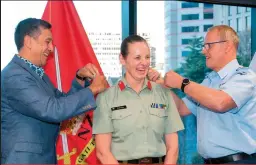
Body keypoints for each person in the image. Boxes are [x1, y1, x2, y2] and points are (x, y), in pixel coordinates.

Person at [1, 18, 108, 164]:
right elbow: (53, 110)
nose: (51, 48)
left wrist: (79, 78)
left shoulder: (37, 75)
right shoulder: (15, 76)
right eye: (47, 41)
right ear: (28, 41)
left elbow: (60, 102)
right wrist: (93, 89)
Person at [148, 25, 256, 164]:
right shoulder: (209, 81)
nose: (204, 51)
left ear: (227, 46)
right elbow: (181, 108)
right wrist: (159, 84)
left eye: (208, 46)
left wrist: (182, 82)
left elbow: (221, 103)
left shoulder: (244, 77)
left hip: (239, 161)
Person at [92, 35, 184, 164]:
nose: (144, 63)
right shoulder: (106, 97)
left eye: (147, 57)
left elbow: (173, 148)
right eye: (137, 58)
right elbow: (102, 152)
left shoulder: (164, 93)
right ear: (122, 59)